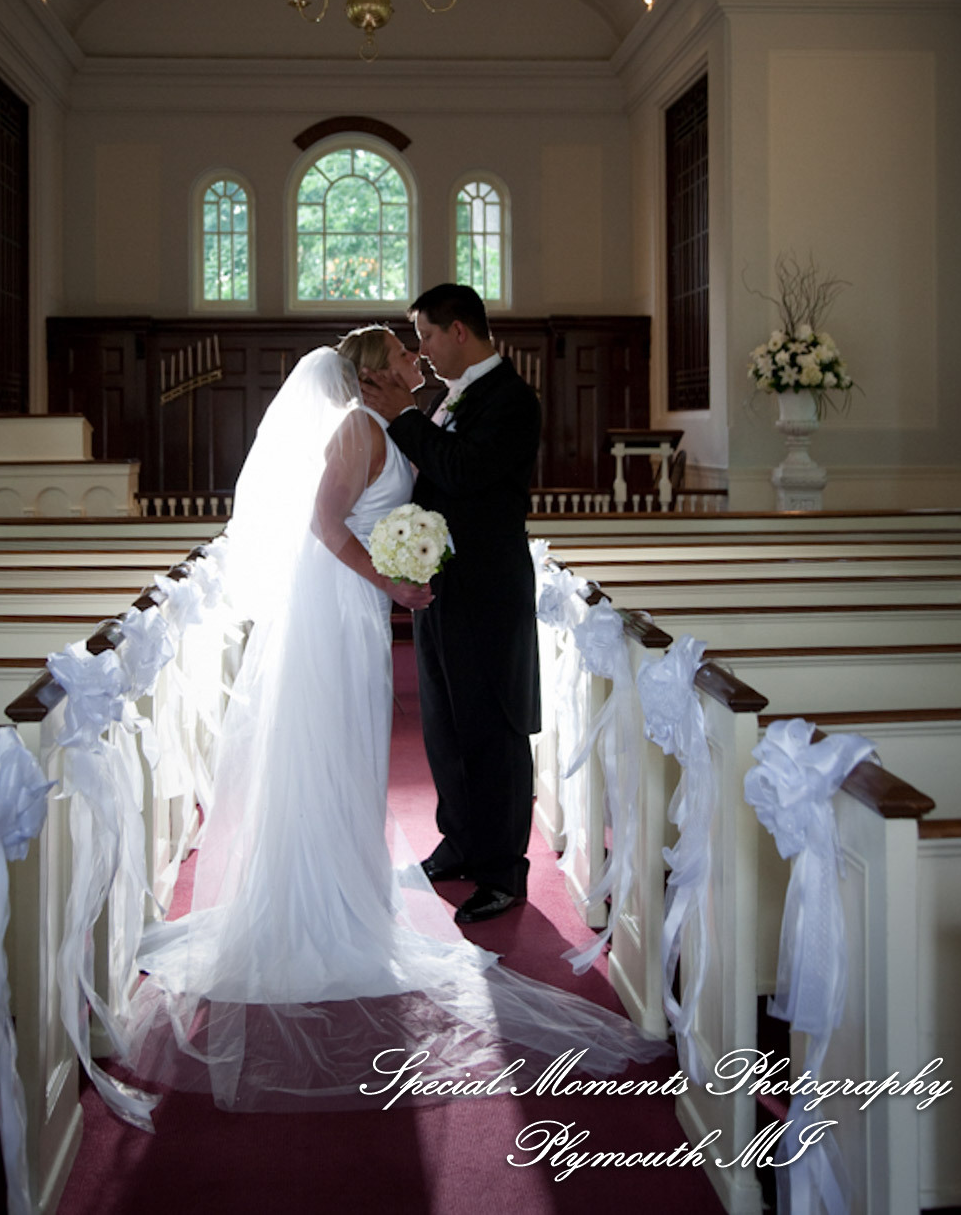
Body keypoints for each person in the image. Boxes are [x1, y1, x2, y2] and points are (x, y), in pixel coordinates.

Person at [124, 324, 662, 1113]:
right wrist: (387, 578)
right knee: (330, 742)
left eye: (418, 350)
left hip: (360, 610)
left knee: (350, 749)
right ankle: (309, 898)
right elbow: (322, 520)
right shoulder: (355, 427)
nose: (416, 361)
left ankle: (344, 882)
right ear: (375, 374)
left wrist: (397, 574)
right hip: (339, 607)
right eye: (405, 356)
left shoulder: (389, 423)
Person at [361, 285, 540, 924]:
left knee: (494, 729)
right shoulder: (447, 398)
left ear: (459, 330)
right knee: (446, 726)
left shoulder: (514, 400)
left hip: (489, 591)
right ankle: (461, 842)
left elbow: (463, 471)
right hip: (442, 586)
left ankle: (503, 871)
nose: (423, 350)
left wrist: (405, 415)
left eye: (428, 336)